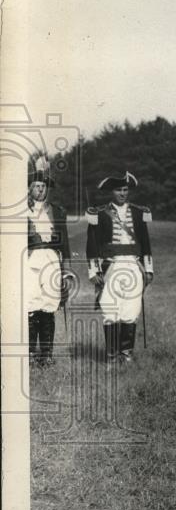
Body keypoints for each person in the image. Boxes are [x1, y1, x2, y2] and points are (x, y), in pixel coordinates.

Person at [86, 172, 152, 364]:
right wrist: (94, 271)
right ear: (111, 192)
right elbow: (92, 245)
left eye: (125, 189)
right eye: (118, 190)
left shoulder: (139, 213)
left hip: (133, 265)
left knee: (131, 310)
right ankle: (112, 355)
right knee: (110, 309)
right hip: (110, 267)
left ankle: (126, 354)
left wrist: (148, 269)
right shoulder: (99, 214)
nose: (122, 193)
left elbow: (145, 243)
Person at [25, 157, 72, 367]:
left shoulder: (57, 211)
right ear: (29, 188)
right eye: (36, 186)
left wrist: (67, 271)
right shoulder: (22, 212)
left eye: (43, 186)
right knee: (31, 304)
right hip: (30, 261)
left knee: (49, 305)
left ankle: (46, 354)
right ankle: (30, 353)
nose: (40, 190)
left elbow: (65, 244)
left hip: (52, 261)